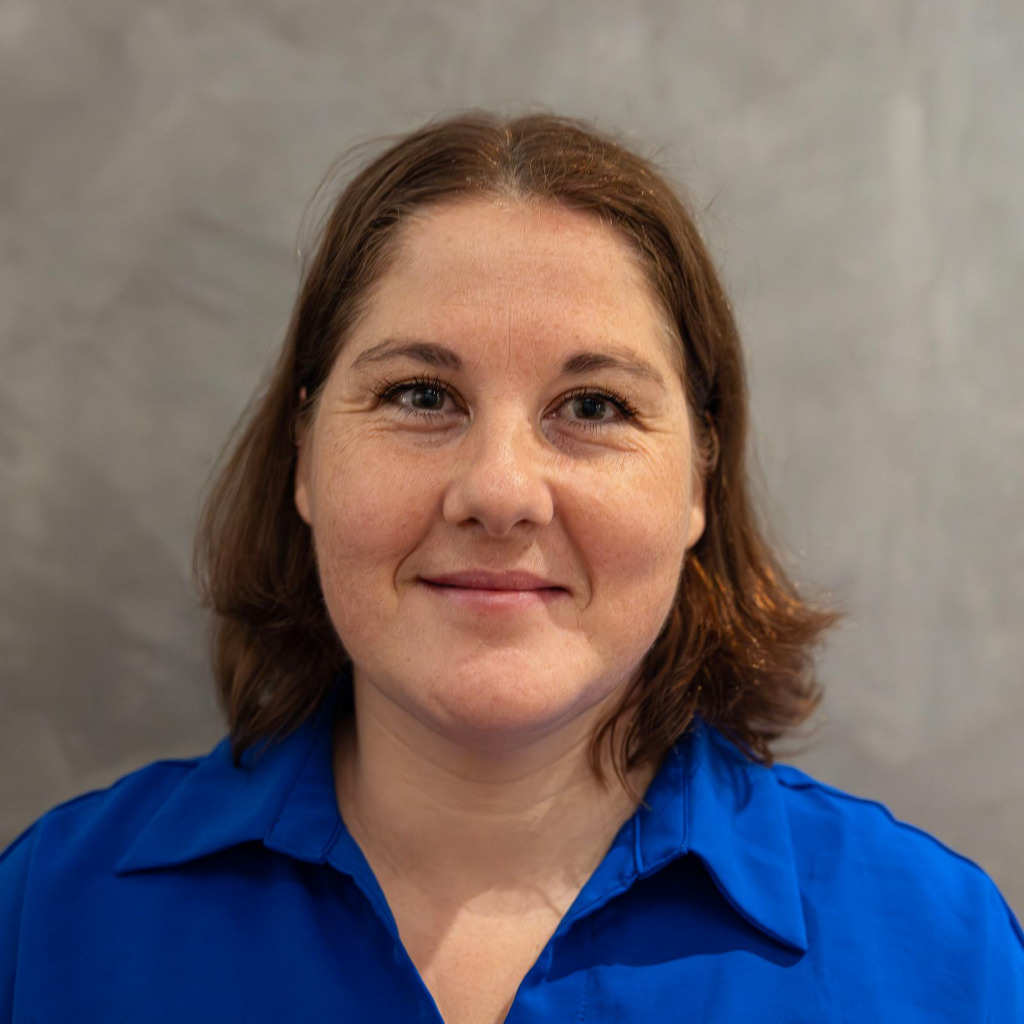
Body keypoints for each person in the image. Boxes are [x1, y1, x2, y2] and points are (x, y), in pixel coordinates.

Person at [1, 111, 1021, 1024]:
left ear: (698, 480)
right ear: (306, 451)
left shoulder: (940, 960)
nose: (499, 490)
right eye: (418, 394)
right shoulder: (50, 921)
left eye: (592, 408)